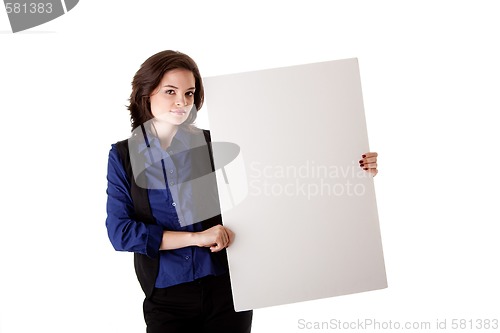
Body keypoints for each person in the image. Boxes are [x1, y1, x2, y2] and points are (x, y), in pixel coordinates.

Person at [105, 50, 378, 333]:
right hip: (166, 297)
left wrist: (353, 164)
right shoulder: (123, 156)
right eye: (170, 91)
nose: (182, 102)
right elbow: (120, 232)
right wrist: (197, 238)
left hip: (228, 289)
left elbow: (283, 175)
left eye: (189, 93)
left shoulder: (216, 144)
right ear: (146, 94)